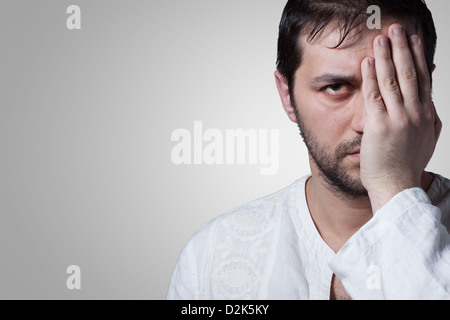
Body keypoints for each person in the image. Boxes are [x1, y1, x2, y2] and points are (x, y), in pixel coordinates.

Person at [167, 0, 450, 300]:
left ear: (425, 86)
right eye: (336, 87)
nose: (368, 122)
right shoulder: (210, 259)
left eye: (390, 84)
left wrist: (393, 189)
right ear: (287, 95)